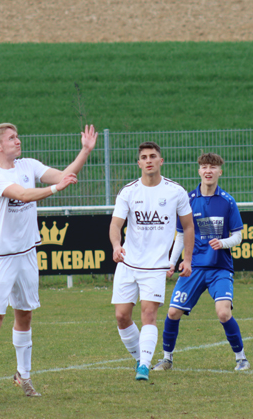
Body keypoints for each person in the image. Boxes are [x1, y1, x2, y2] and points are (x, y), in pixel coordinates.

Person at [0, 123, 97, 401]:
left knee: (25, 315)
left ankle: (24, 376)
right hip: (0, 257)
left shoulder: (28, 165)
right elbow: (23, 194)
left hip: (27, 254)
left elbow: (65, 175)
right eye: (11, 138)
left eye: (17, 136)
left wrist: (85, 151)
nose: (18, 141)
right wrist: (56, 188)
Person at [153, 153, 249, 372]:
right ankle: (167, 358)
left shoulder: (227, 201)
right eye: (204, 167)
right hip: (193, 267)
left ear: (219, 172)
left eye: (213, 168)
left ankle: (241, 358)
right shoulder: (188, 200)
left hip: (219, 268)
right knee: (172, 312)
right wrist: (171, 261)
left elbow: (238, 236)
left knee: (223, 313)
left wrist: (223, 243)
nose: (208, 171)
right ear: (199, 171)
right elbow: (180, 234)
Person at [109, 141, 195, 381]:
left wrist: (186, 260)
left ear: (160, 161)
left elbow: (188, 227)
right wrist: (117, 246)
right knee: (121, 316)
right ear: (139, 163)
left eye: (153, 156)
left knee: (148, 315)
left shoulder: (175, 191)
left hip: (156, 266)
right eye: (144, 157)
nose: (148, 160)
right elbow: (116, 225)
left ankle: (144, 366)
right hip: (128, 263)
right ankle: (140, 357)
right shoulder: (128, 191)